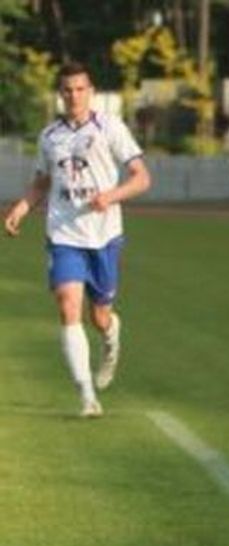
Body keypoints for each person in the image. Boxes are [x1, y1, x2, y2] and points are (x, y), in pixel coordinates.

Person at [3, 62, 151, 418]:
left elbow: (142, 178)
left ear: (91, 91)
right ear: (60, 94)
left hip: (104, 235)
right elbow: (42, 182)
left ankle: (111, 334)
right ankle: (87, 396)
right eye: (67, 90)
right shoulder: (49, 136)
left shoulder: (109, 127)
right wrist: (22, 207)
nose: (74, 95)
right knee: (68, 307)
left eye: (80, 89)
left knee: (98, 316)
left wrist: (111, 196)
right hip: (63, 233)